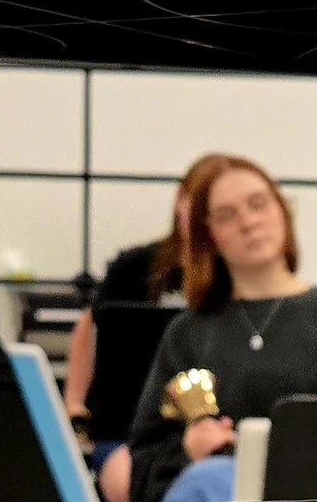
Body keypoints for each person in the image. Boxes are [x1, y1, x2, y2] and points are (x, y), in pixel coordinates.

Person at [106, 156, 317, 502]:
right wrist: (186, 451)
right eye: (226, 215)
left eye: (258, 203)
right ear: (209, 235)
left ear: (282, 211)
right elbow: (142, 470)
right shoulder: (188, 332)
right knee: (210, 479)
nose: (249, 222)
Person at [64, 153, 230, 425]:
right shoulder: (134, 265)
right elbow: (89, 324)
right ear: (180, 199)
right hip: (123, 418)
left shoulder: (233, 275)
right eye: (198, 205)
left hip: (206, 422)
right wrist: (73, 402)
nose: (204, 219)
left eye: (216, 210)